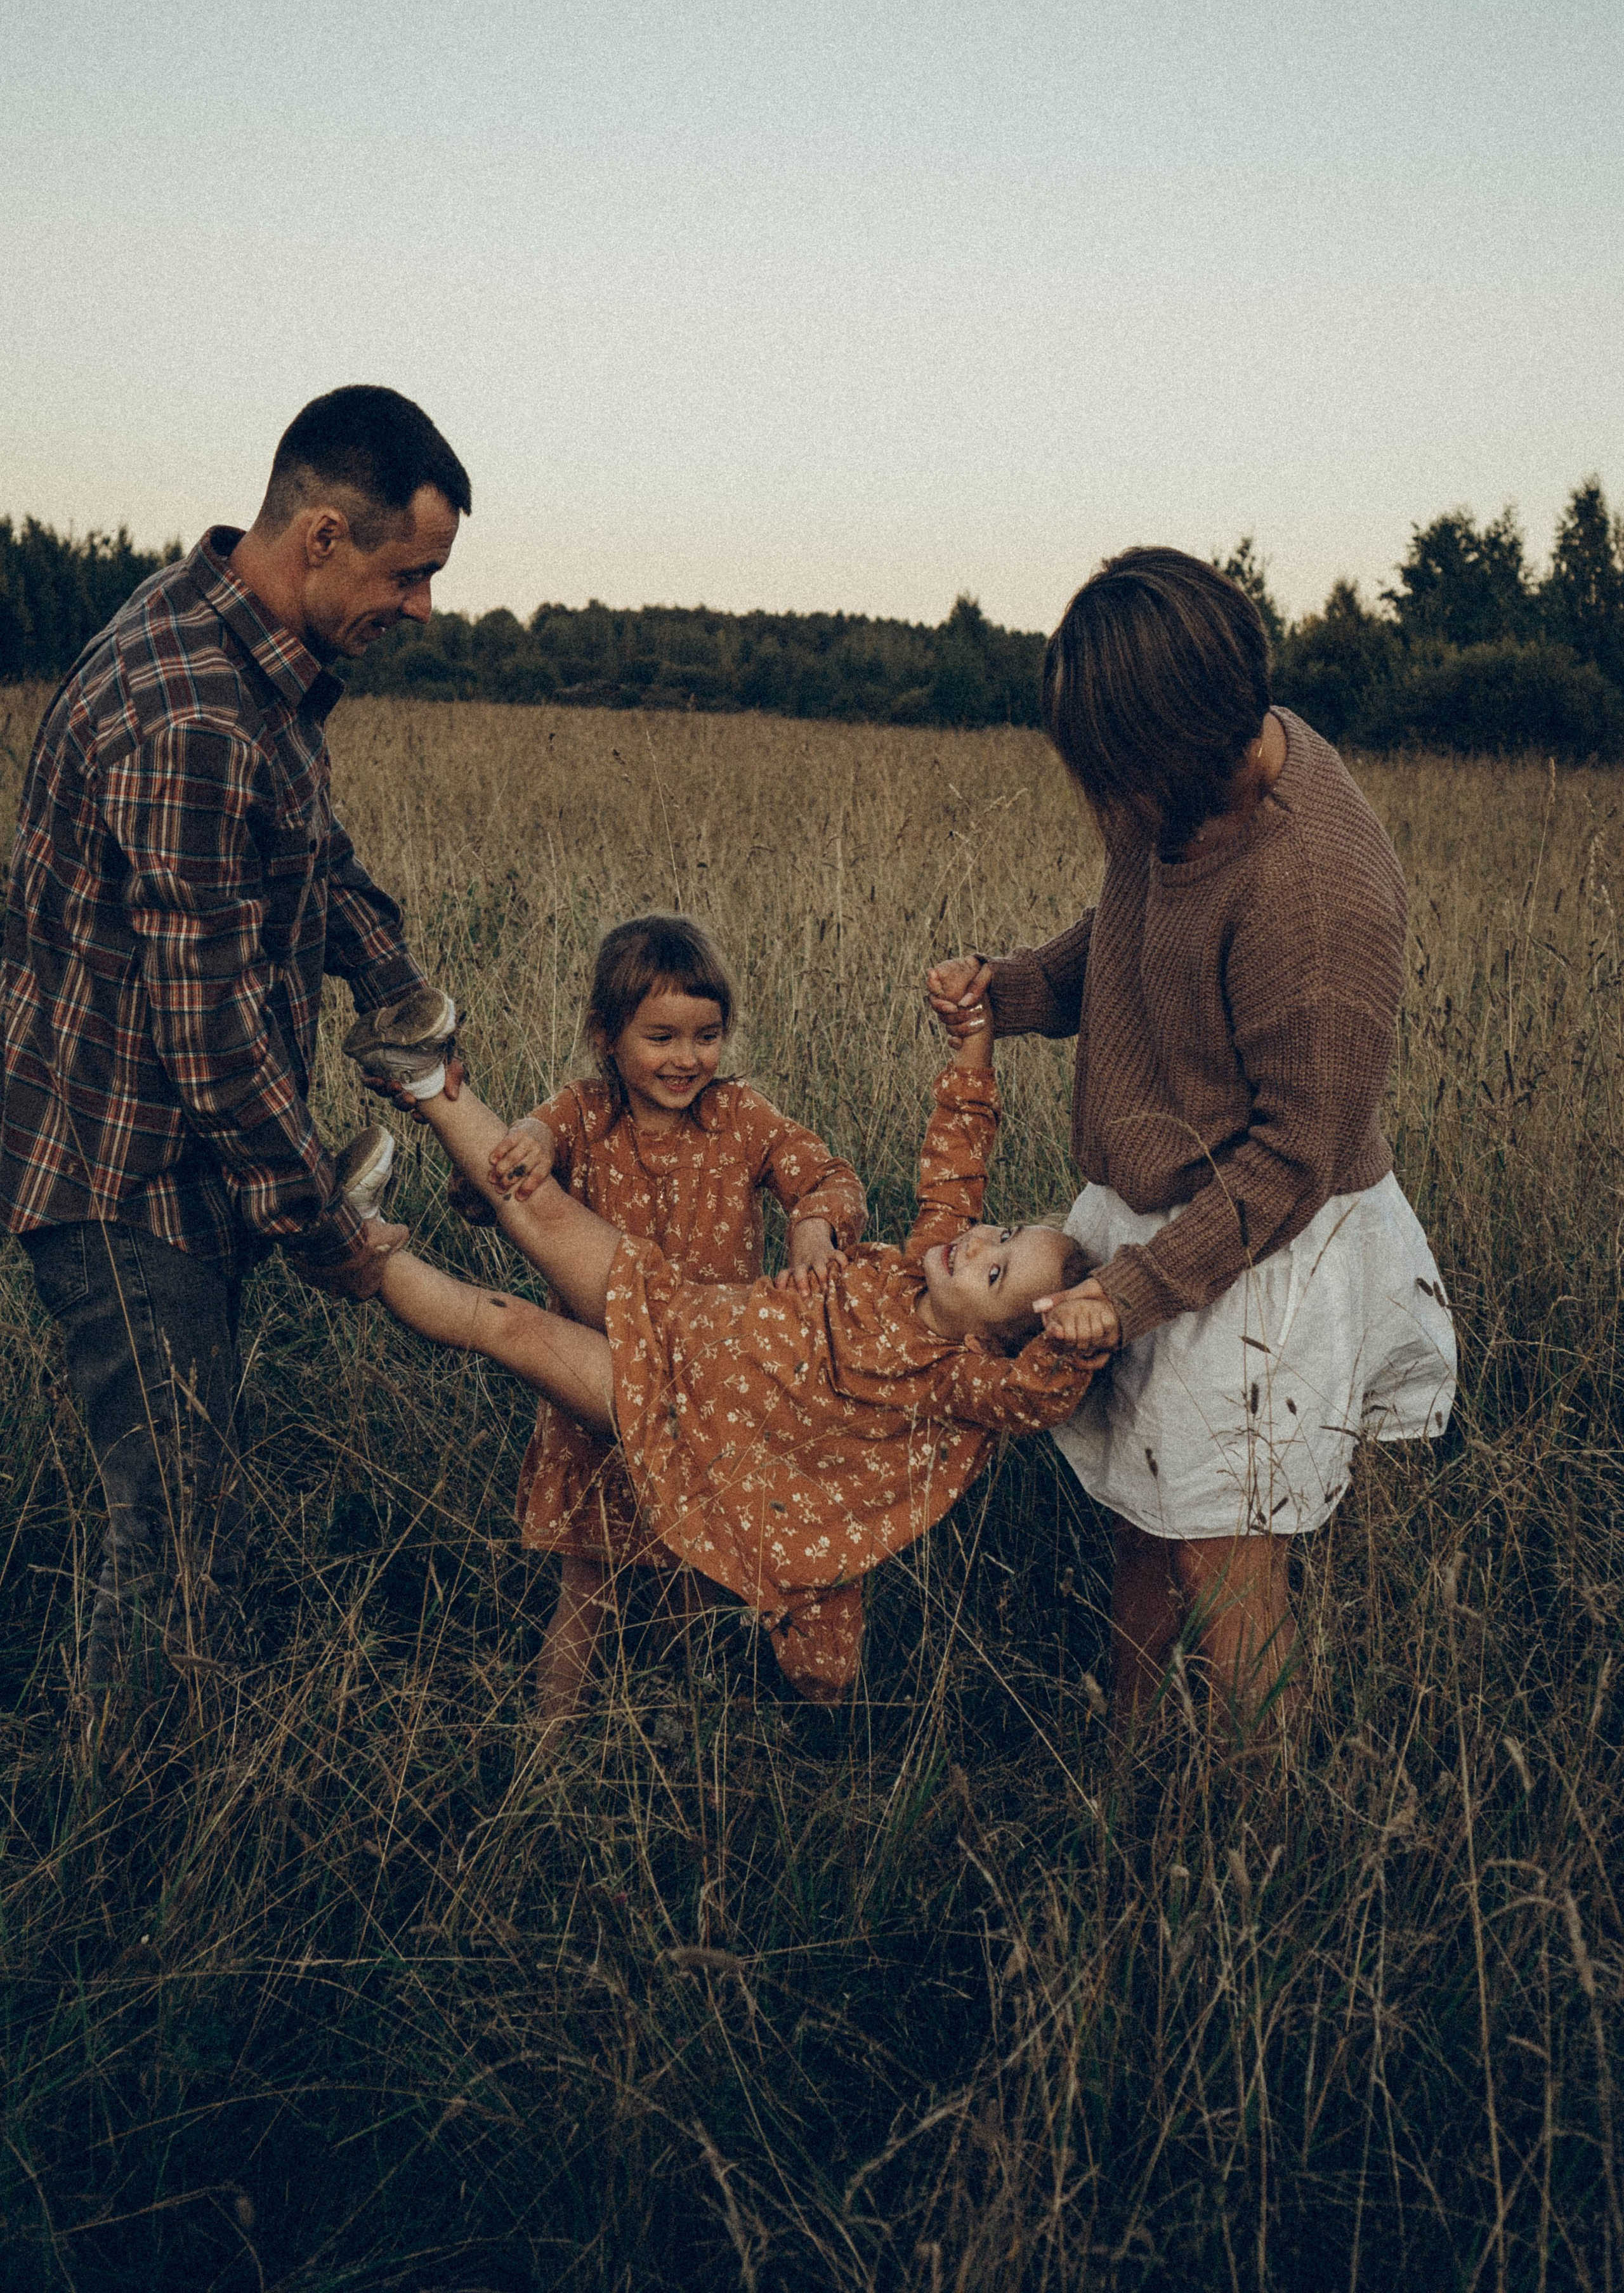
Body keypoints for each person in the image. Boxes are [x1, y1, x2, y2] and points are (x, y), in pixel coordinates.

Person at [926, 547, 1457, 1735]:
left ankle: (1259, 1848)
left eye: (1113, 777)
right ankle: (1132, 1765)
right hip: (1156, 1216)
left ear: (1179, 747)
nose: (1100, 805)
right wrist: (1010, 991)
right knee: (1143, 1514)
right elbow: (1127, 931)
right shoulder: (1178, 788)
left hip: (1259, 1250)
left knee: (1224, 1557)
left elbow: (1296, 1155)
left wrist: (1138, 1292)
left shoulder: (1316, 890)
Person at [1, 385, 468, 1689]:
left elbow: (307, 852)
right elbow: (203, 1036)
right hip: (123, 1176)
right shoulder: (200, 716)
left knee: (183, 1496)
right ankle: (119, 1844)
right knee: (170, 1529)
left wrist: (400, 1001)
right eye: (409, 573)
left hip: (163, 1157)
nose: (422, 609)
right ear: (320, 537)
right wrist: (326, 1233)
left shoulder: (232, 641)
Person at [338, 993, 1099, 1703]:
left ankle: (359, 1245)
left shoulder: (955, 1374)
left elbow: (1034, 1397)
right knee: (540, 1210)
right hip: (676, 1311)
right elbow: (957, 1157)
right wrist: (974, 1044)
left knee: (506, 1323)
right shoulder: (921, 1260)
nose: (977, 1246)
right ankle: (427, 1074)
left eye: (995, 1272)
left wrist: (1078, 1338)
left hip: (687, 1420)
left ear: (992, 1338)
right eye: (999, 1233)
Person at [442, 912, 867, 1718]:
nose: (686, 1059)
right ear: (606, 1034)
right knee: (589, 1583)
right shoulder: (582, 1113)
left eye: (706, 1036)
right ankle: (549, 1748)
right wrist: (525, 1139)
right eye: (662, 1037)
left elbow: (825, 1173)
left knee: (693, 1571)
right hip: (595, 1383)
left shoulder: (741, 1118)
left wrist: (812, 1221)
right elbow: (505, 1167)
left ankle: (678, 1733)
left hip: (703, 1391)